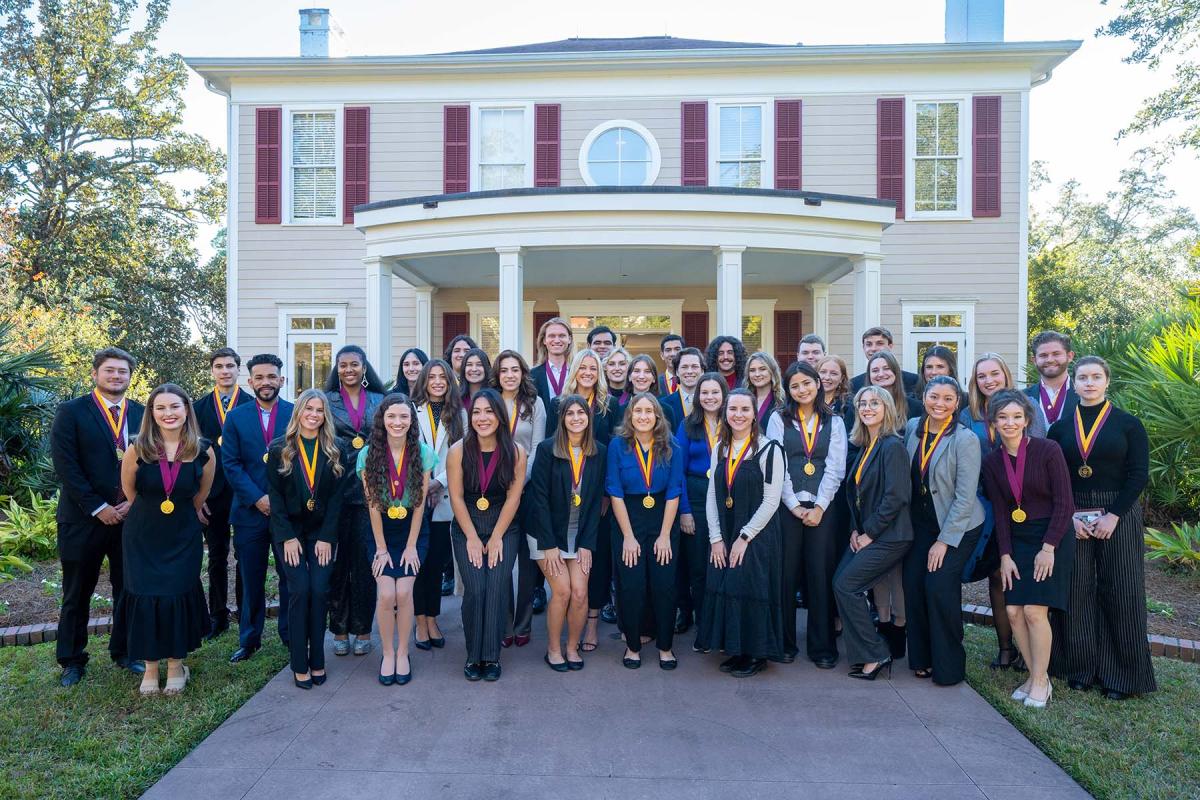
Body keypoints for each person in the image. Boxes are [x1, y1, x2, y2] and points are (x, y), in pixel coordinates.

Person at [1047, 357, 1156, 699]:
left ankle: (1120, 676)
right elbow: (1056, 479)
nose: (1089, 383)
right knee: (1076, 590)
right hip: (1074, 512)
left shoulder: (1128, 424)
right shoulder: (1061, 428)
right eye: (1083, 377)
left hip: (1117, 513)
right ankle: (1080, 667)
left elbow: (1138, 474)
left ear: (1107, 381)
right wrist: (1070, 518)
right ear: (1074, 383)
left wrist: (1113, 515)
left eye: (1096, 377)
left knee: (1120, 590)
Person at [50, 347, 146, 686]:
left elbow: (150, 462)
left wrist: (133, 503)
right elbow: (66, 466)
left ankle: (125, 652)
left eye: (122, 371)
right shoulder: (72, 412)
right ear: (96, 374)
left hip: (129, 519)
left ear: (130, 376)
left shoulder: (142, 413)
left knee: (128, 588)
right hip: (82, 519)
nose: (117, 376)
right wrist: (98, 507)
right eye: (110, 371)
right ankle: (72, 660)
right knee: (77, 592)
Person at [981, 390, 1074, 708]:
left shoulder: (1048, 450)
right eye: (1003, 417)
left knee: (1034, 611)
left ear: (1027, 420)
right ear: (993, 423)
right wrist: (1005, 555)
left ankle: (1038, 680)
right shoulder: (992, 462)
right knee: (1012, 611)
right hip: (1017, 540)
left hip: (1051, 536)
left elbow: (1065, 502)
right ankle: (1038, 676)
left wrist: (1048, 548)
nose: (1010, 423)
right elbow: (1001, 512)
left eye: (1016, 417)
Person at [119, 384, 214, 696]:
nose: (168, 413)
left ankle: (176, 665)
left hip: (183, 536)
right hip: (143, 536)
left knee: (176, 595)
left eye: (175, 406)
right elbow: (131, 492)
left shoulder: (204, 451)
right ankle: (150, 667)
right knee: (145, 597)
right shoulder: (138, 449)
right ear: (151, 413)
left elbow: (200, 496)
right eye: (160, 408)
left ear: (187, 409)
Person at [902, 376, 985, 685]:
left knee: (938, 588)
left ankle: (949, 667)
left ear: (957, 403)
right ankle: (921, 659)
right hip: (921, 524)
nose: (940, 403)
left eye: (948, 399)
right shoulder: (912, 428)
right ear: (924, 397)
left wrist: (944, 542)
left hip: (958, 526)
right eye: (934, 396)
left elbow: (965, 497)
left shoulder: (965, 439)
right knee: (913, 586)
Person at [699, 388, 785, 677]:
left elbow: (772, 500)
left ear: (754, 414)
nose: (738, 415)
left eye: (744, 409)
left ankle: (755, 655)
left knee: (750, 587)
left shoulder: (769, 449)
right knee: (727, 586)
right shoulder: (720, 448)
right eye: (732, 409)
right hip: (725, 529)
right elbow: (712, 493)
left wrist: (744, 537)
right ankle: (735, 649)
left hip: (756, 535)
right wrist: (715, 538)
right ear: (725, 413)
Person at [267, 389, 348, 689]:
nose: (313, 415)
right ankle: (299, 661)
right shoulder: (280, 449)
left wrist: (327, 537)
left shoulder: (336, 448)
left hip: (321, 534)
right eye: (308, 409)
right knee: (299, 589)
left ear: (325, 415)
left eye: (319, 410)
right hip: (290, 532)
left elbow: (338, 499)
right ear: (298, 412)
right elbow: (274, 498)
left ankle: (318, 661)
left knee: (319, 589)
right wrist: (287, 537)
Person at [767, 362, 847, 668]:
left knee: (820, 575)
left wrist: (820, 506)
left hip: (823, 509)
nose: (802, 390)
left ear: (818, 383)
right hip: (787, 507)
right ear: (788, 390)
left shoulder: (835, 422)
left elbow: (835, 467)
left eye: (806, 383)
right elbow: (777, 463)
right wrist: (793, 505)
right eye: (795, 386)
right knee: (786, 576)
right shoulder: (778, 419)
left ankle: (822, 645)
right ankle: (784, 642)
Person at [447, 389, 527, 681]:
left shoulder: (517, 452)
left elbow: (513, 498)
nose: (482, 418)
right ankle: (473, 655)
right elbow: (455, 497)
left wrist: (495, 538)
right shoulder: (458, 451)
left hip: (503, 526)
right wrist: (471, 537)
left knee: (496, 587)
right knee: (476, 588)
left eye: (489, 412)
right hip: (467, 524)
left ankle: (491, 656)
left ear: (500, 416)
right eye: (477, 412)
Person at [833, 386, 912, 680]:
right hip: (868, 533)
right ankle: (868, 652)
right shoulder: (867, 445)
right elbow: (857, 495)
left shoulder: (892, 446)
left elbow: (896, 496)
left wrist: (870, 534)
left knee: (847, 585)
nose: (867, 408)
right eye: (862, 403)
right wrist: (856, 529)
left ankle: (876, 653)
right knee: (840, 583)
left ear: (887, 408)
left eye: (874, 403)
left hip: (892, 536)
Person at [359, 394, 436, 686]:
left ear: (411, 421)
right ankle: (387, 653)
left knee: (403, 593)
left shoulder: (423, 453)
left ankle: (403, 653)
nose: (397, 422)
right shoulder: (368, 455)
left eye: (404, 417)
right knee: (386, 594)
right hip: (380, 531)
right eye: (392, 416)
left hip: (412, 531)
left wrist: (412, 545)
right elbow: (372, 505)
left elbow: (419, 504)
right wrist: (380, 549)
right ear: (382, 420)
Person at [222, 353, 293, 663]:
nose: (266, 382)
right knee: (250, 578)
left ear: (281, 379)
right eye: (260, 378)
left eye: (272, 376)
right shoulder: (236, 417)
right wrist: (257, 498)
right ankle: (249, 639)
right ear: (249, 382)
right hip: (249, 512)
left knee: (289, 576)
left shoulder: (295, 414)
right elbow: (231, 464)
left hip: (287, 512)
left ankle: (290, 635)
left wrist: (277, 501)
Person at [528, 394, 607, 671]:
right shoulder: (547, 449)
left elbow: (597, 500)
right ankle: (553, 649)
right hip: (546, 532)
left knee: (580, 593)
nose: (576, 418)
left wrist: (587, 543)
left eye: (581, 413)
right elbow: (538, 499)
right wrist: (549, 545)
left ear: (588, 417)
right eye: (570, 413)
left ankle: (572, 647)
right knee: (561, 591)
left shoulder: (599, 451)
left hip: (579, 532)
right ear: (561, 419)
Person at [606, 392, 685, 670]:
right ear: (629, 416)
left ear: (657, 416)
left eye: (649, 411)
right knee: (631, 585)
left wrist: (665, 535)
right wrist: (628, 536)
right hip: (628, 517)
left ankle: (665, 647)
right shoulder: (617, 446)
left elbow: (675, 491)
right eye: (637, 411)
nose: (643, 416)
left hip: (663, 517)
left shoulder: (672, 445)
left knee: (664, 584)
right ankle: (633, 647)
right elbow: (614, 492)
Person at [324, 345, 387, 657]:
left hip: (368, 491)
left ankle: (363, 628)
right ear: (337, 369)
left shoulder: (379, 400)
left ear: (364, 368)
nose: (349, 370)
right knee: (337, 565)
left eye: (354, 365)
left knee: (364, 564)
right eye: (343, 365)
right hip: (335, 489)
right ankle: (339, 628)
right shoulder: (326, 401)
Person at [964, 352, 1024, 671]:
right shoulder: (968, 414)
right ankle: (1005, 649)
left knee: (1022, 579)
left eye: (994, 374)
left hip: (1021, 506)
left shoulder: (1024, 408)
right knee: (996, 578)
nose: (989, 381)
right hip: (984, 507)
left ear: (1005, 374)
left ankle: (1030, 651)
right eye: (982, 376)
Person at [489, 350, 547, 649]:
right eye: (504, 370)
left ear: (524, 373)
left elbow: (537, 448)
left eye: (515, 369)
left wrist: (520, 481)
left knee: (526, 562)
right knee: (500, 560)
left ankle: (523, 623)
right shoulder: (490, 403)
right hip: (494, 492)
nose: (510, 375)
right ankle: (504, 622)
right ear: (497, 374)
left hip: (526, 491)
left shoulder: (534, 404)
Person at [193, 347, 252, 640]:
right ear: (212, 371)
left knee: (244, 556)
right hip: (211, 495)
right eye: (219, 366)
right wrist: (197, 498)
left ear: (238, 369)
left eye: (230, 365)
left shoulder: (252, 405)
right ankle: (217, 616)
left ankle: (245, 613)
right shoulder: (198, 407)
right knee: (217, 556)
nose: (225, 371)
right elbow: (191, 455)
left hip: (243, 494)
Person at [411, 359, 466, 650]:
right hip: (417, 496)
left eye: (442, 377)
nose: (436, 381)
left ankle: (432, 618)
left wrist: (439, 481)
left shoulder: (460, 414)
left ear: (449, 381)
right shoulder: (410, 410)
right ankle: (420, 621)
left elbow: (464, 453)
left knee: (435, 564)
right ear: (424, 380)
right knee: (419, 563)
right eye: (431, 376)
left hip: (444, 496)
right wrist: (424, 482)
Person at [863, 349, 915, 657]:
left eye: (886, 368)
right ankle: (883, 624)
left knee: (896, 576)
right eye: (874, 370)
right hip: (873, 515)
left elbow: (897, 493)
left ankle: (898, 628)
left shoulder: (894, 440)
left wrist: (873, 527)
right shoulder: (867, 435)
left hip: (894, 519)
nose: (880, 373)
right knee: (878, 578)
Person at [674, 372, 728, 641]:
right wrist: (684, 510)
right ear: (698, 396)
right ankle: (702, 625)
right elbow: (678, 471)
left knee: (720, 561)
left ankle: (718, 620)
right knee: (697, 564)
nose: (710, 397)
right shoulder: (687, 426)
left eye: (715, 392)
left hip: (725, 497)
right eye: (704, 393)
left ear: (724, 394)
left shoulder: (734, 422)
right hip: (694, 497)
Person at [1024, 331, 1078, 436]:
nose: (1050, 360)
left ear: (1070, 356)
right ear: (1034, 360)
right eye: (1043, 355)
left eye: (1056, 354)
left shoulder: (1085, 395)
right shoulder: (1023, 397)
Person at [850, 327, 919, 393]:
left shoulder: (914, 381)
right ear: (863, 348)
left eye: (879, 343)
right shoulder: (854, 385)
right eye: (869, 344)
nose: (874, 348)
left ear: (890, 346)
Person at [530, 316, 575, 411]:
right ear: (544, 340)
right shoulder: (532, 375)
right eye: (552, 336)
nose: (557, 340)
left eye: (562, 336)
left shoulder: (578, 372)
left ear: (569, 339)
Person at [624, 354, 678, 430]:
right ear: (629, 376)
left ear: (654, 378)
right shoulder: (621, 409)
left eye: (647, 371)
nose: (641, 376)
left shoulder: (666, 410)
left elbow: (671, 441)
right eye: (636, 371)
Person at [744, 351, 782, 428]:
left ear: (772, 371)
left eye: (762, 369)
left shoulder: (782, 401)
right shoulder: (743, 399)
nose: (757, 374)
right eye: (752, 370)